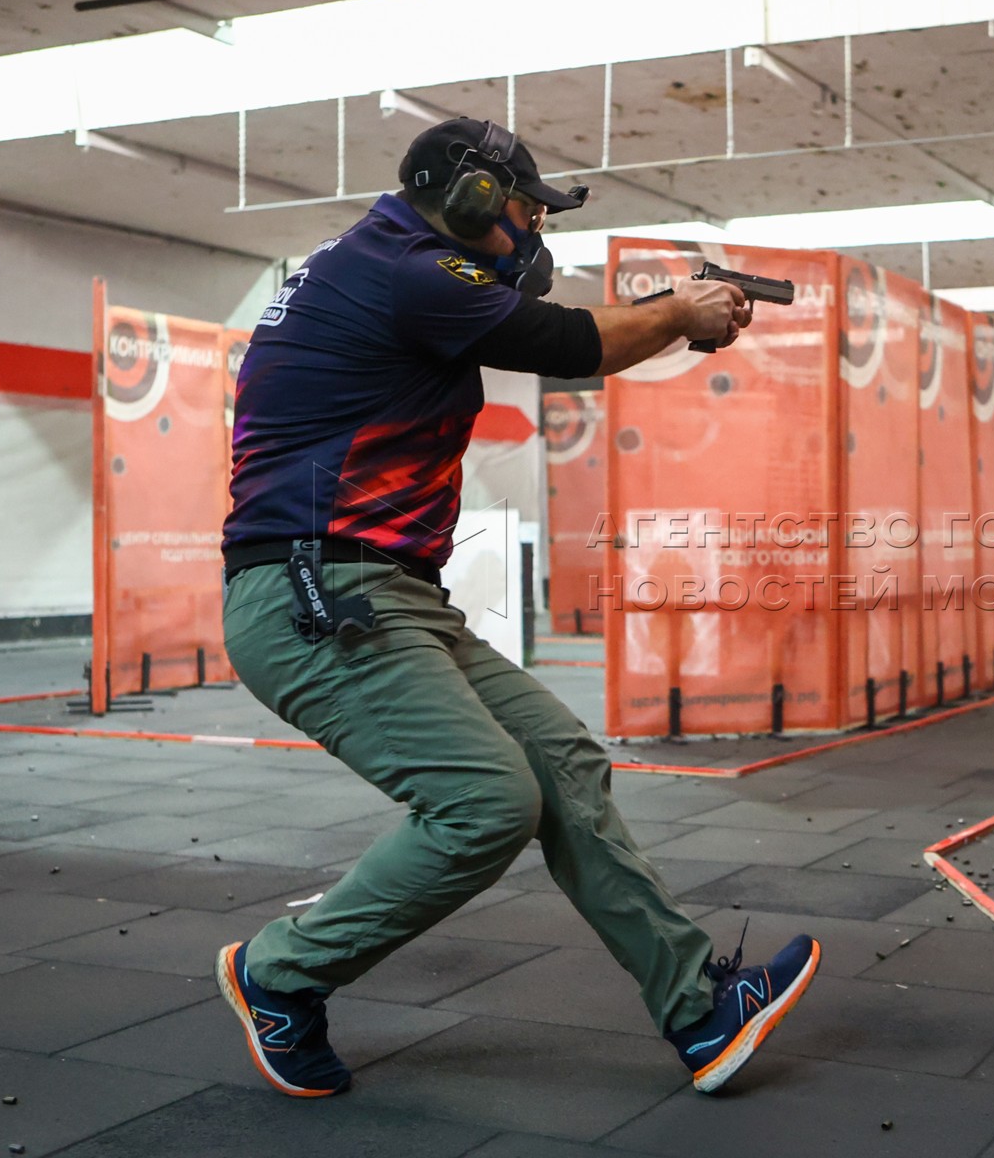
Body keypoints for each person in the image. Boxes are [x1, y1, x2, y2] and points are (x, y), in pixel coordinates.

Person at [213, 117, 820, 1099]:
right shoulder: (406, 269)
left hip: (385, 592)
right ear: (471, 198)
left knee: (561, 764)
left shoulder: (389, 264)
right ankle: (278, 974)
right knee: (486, 804)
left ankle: (699, 1011)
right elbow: (566, 340)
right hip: (314, 593)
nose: (535, 229)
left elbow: (554, 325)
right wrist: (681, 312)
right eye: (528, 210)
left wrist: (673, 311)